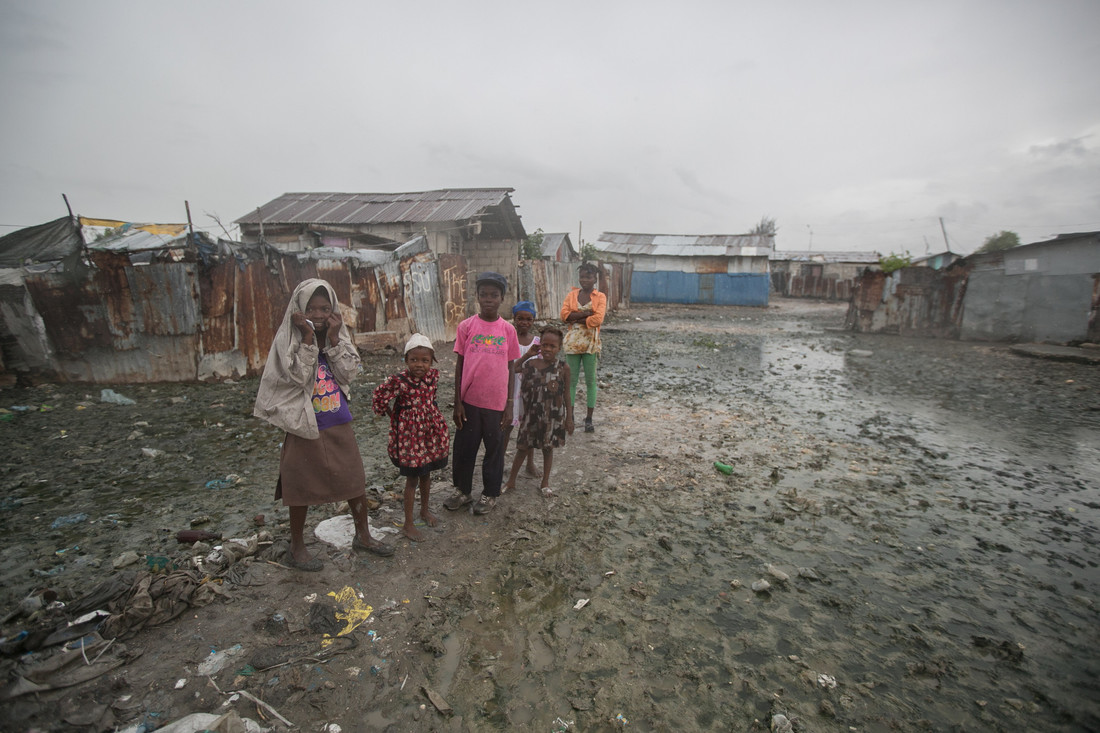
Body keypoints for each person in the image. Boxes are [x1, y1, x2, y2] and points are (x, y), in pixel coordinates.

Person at [253, 278, 394, 571]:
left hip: (337, 420)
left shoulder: (337, 337)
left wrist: (331, 340)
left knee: (354, 480)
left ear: (333, 311)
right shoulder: (288, 341)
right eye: (311, 308)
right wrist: (307, 338)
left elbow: (349, 373)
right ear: (299, 309)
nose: (317, 315)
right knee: (299, 486)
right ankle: (296, 546)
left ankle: (363, 536)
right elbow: (297, 377)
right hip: (303, 424)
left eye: (324, 308)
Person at [444, 272, 520, 515]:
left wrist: (509, 404)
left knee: (494, 450)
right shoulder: (466, 326)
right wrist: (458, 402)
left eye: (494, 295)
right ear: (476, 297)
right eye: (484, 295)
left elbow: (511, 368)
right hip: (469, 402)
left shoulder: (508, 330)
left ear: (502, 298)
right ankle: (463, 492)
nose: (489, 299)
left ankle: (489, 494)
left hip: (497, 404)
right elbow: (460, 365)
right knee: (465, 448)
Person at [372, 334, 449, 542]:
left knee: (427, 473)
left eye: (425, 360)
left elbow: (432, 398)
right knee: (412, 478)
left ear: (431, 361)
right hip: (410, 437)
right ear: (406, 360)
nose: (419, 365)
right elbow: (379, 396)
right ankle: (408, 523)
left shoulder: (433, 376)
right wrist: (393, 416)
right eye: (414, 360)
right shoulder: (399, 380)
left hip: (429, 434)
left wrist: (432, 419)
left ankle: (424, 511)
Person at [504, 327, 573, 496]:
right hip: (531, 416)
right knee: (522, 448)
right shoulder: (530, 364)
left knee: (547, 449)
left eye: (552, 346)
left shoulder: (563, 368)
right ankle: (511, 481)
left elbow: (567, 395)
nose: (548, 349)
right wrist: (528, 354)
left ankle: (545, 483)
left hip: (552, 417)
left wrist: (569, 418)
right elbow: (513, 368)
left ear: (559, 348)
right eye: (544, 345)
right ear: (539, 345)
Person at [560, 262, 607, 433]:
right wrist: (586, 314)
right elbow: (564, 316)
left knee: (590, 381)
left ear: (595, 278)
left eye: (588, 277)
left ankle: (589, 419)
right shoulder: (572, 295)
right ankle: (570, 416)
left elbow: (598, 320)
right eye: (582, 277)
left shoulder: (600, 297)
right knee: (570, 381)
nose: (584, 280)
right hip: (572, 343)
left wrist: (576, 318)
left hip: (591, 345)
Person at [502, 301, 541, 483]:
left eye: (528, 319)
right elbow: (506, 367)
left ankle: (529, 463)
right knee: (506, 427)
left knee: (527, 430)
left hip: (528, 392)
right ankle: (499, 461)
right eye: (520, 318)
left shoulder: (537, 343)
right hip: (510, 390)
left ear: (533, 320)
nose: (524, 322)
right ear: (514, 319)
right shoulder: (508, 338)